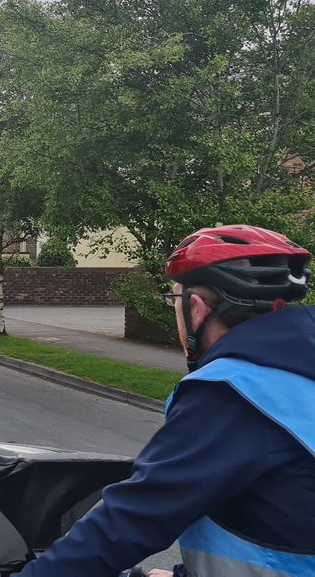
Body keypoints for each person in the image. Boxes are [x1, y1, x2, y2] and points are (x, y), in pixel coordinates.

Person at [17, 225, 314, 577]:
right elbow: (287, 511)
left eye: (174, 299)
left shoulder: (235, 392)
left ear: (196, 308)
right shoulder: (299, 372)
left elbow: (133, 519)